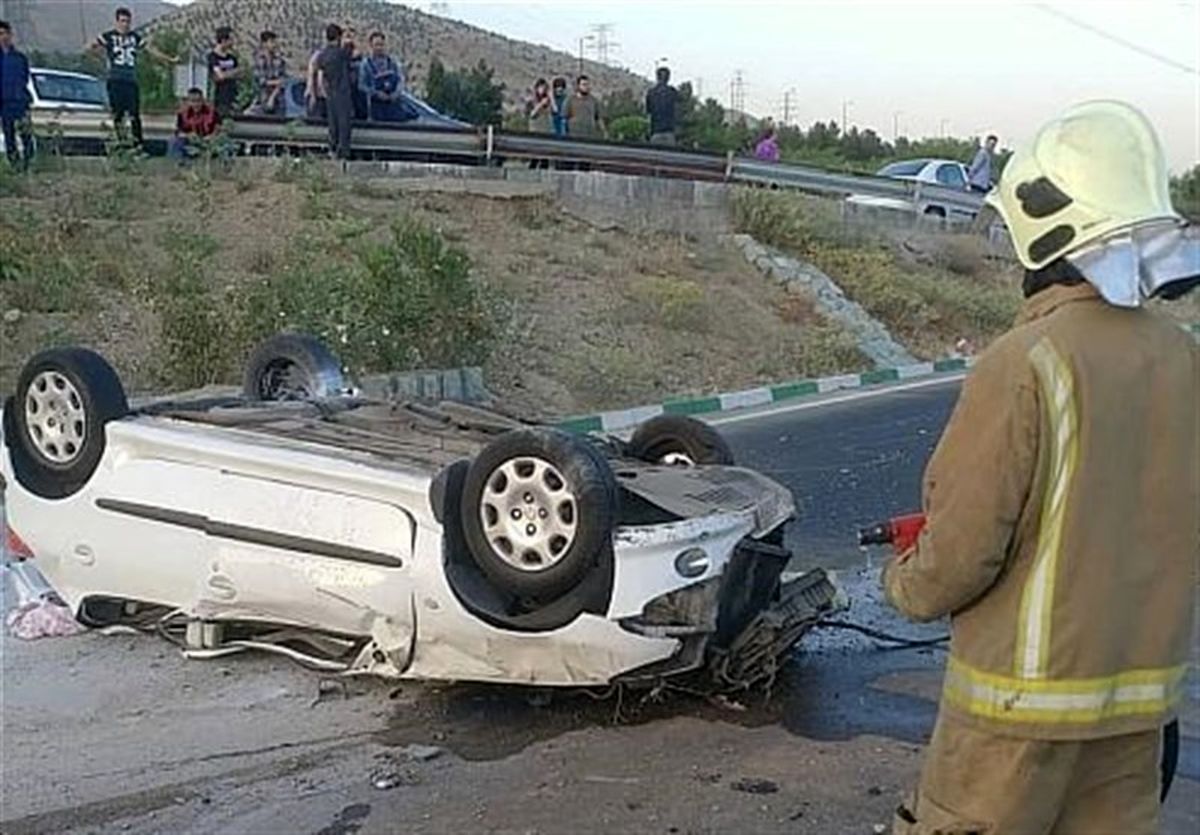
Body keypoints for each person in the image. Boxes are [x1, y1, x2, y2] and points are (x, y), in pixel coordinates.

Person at [883, 100, 1197, 835]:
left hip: (1013, 718)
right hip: (1136, 716)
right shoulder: (1185, 359)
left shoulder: (1024, 361)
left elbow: (961, 549)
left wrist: (903, 584)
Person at [91, 6, 175, 147]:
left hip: (130, 80)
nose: (125, 25)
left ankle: (138, 144)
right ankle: (121, 142)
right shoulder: (109, 36)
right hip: (115, 79)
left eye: (127, 22)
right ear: (117, 21)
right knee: (118, 114)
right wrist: (98, 55)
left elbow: (150, 49)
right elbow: (92, 46)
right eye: (122, 21)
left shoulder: (135, 37)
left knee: (134, 114)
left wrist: (168, 59)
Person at [315, 23, 355, 159]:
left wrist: (323, 91)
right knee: (344, 125)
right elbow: (352, 49)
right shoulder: (341, 53)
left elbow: (320, 78)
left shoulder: (322, 55)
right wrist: (349, 36)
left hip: (330, 93)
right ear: (338, 37)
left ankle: (332, 150)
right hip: (343, 93)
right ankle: (343, 154)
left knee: (333, 124)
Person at [0, 19, 34, 170]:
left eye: (4, 33)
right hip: (4, 102)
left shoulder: (19, 58)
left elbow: (24, 77)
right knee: (9, 135)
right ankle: (14, 163)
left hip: (20, 100)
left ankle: (28, 163)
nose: (2, 37)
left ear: (10, 34)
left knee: (25, 133)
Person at [359, 31, 404, 122]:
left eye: (381, 45)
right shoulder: (366, 64)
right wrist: (376, 93)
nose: (379, 48)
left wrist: (396, 93)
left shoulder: (393, 63)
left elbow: (400, 80)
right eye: (376, 45)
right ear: (371, 46)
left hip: (395, 109)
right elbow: (362, 85)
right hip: (377, 111)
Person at [168, 87, 219, 162]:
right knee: (174, 141)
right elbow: (178, 132)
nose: (196, 104)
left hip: (208, 142)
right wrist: (188, 135)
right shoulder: (182, 114)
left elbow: (219, 129)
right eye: (193, 101)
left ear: (202, 101)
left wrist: (212, 137)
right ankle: (177, 164)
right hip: (190, 143)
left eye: (198, 101)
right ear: (188, 102)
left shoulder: (212, 113)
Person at [206, 26, 242, 119]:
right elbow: (219, 76)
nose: (233, 42)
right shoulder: (213, 57)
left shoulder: (232, 58)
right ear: (223, 40)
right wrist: (233, 73)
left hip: (233, 96)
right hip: (219, 98)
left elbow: (240, 73)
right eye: (231, 39)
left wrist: (228, 74)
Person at [252, 30, 288, 117]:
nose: (274, 45)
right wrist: (276, 82)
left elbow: (283, 80)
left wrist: (273, 96)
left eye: (275, 42)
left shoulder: (279, 60)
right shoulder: (259, 59)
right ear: (264, 44)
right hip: (262, 99)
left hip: (278, 100)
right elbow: (261, 81)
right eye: (271, 42)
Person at [645, 65, 678, 145]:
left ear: (657, 77)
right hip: (669, 131)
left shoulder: (651, 93)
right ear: (668, 78)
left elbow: (648, 111)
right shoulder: (673, 92)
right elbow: (678, 110)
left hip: (655, 131)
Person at [563, 74, 604, 139]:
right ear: (578, 86)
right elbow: (564, 118)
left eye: (588, 84)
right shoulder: (570, 100)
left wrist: (603, 133)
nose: (586, 87)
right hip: (573, 135)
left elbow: (598, 118)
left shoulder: (593, 101)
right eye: (584, 84)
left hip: (589, 136)